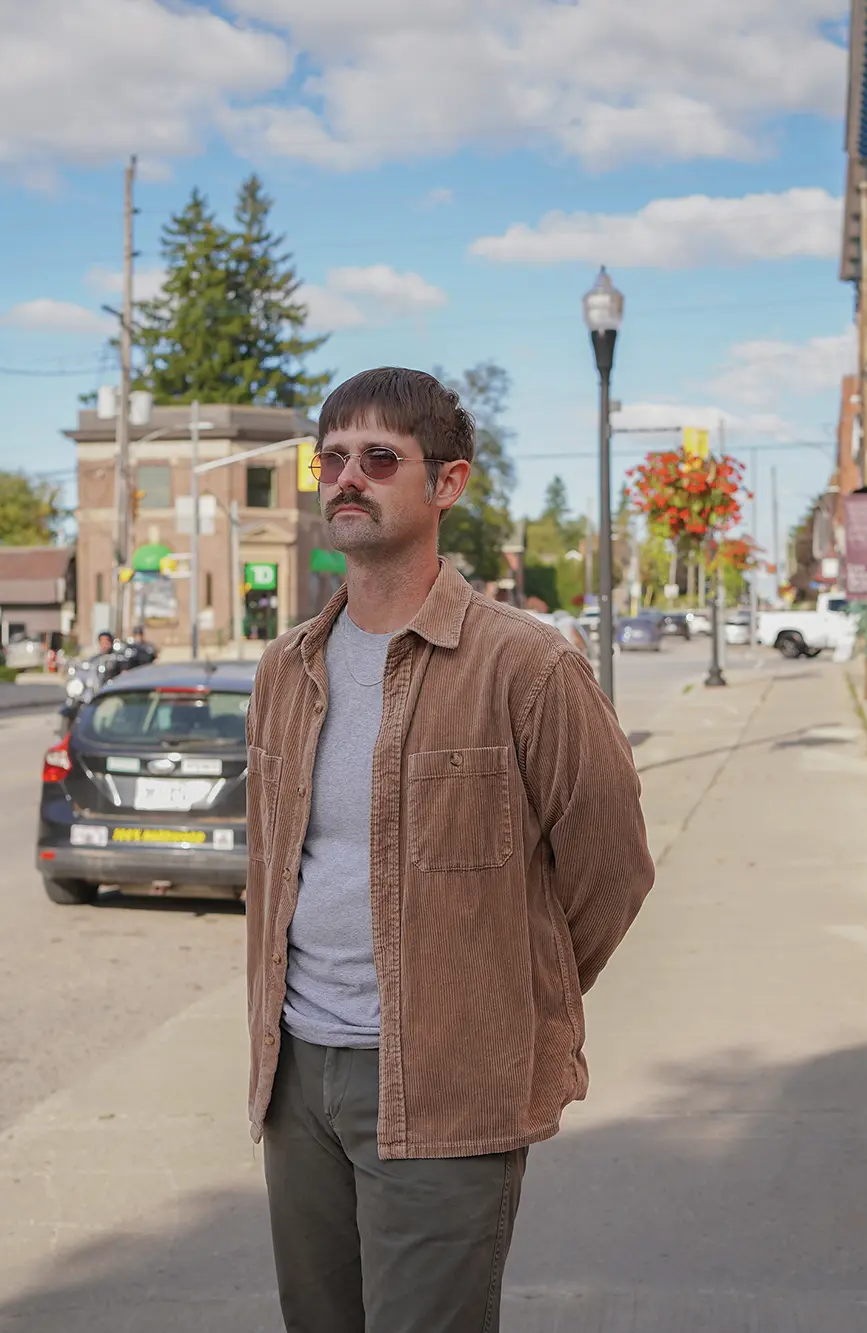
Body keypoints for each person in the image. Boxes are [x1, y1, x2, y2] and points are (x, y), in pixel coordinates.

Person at [245, 368, 653, 1333]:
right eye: (331, 457)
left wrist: (498, 996)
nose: (348, 477)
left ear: (448, 483)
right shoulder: (284, 668)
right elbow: (272, 869)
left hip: (444, 1085)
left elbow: (612, 871)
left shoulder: (528, 665)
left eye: (379, 458)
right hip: (296, 1076)